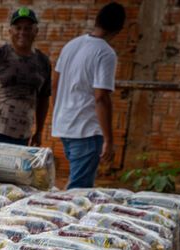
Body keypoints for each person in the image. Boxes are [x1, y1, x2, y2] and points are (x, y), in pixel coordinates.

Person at [52, 2, 127, 188]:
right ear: (119, 29)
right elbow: (101, 97)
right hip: (86, 130)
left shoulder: (71, 45)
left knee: (75, 184)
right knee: (78, 191)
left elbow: (55, 85)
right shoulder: (105, 53)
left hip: (64, 125)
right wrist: (109, 139)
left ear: (97, 21)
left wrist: (60, 113)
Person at [0, 7, 51, 147]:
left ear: (36, 31)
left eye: (28, 28)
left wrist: (39, 131)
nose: (22, 32)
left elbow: (44, 97)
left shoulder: (43, 62)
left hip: (22, 135)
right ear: (10, 31)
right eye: (18, 28)